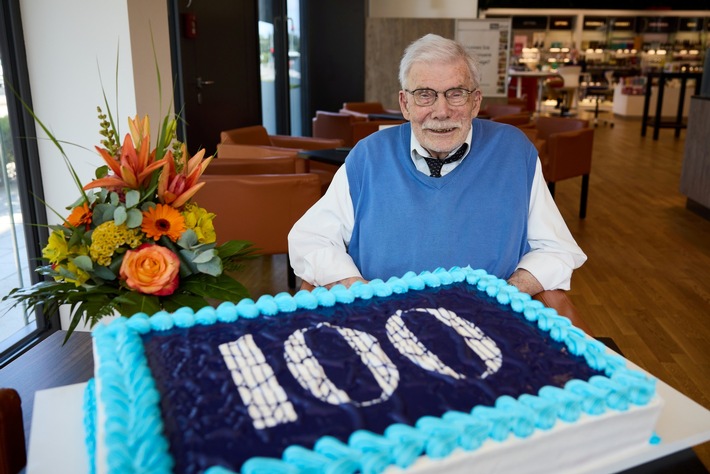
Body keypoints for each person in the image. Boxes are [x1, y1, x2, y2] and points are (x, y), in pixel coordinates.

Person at [288, 33, 586, 295]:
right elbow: (310, 240)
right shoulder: (368, 157)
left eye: (456, 94)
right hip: (382, 324)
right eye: (424, 95)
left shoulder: (514, 152)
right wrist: (361, 292)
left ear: (476, 102)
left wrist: (507, 294)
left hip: (488, 327)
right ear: (405, 104)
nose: (441, 111)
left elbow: (556, 249)